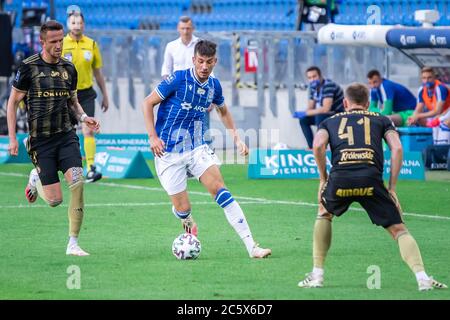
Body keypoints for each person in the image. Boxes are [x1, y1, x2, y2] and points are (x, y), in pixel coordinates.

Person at [297, 83, 447, 291]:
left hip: (341, 178)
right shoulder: (382, 120)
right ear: (368, 104)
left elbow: (318, 146)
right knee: (398, 229)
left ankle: (317, 275)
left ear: (345, 103)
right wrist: (392, 188)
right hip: (371, 178)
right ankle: (422, 278)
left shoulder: (329, 121)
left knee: (324, 213)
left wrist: (324, 179)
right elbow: (397, 149)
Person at [142, 40, 271, 259]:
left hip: (196, 147)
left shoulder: (214, 85)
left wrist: (237, 139)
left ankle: (252, 247)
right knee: (183, 208)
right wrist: (152, 137)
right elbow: (147, 103)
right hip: (168, 152)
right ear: (194, 60)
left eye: (209, 62)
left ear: (215, 62)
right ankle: (183, 215)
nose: (204, 66)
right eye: (200, 61)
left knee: (222, 192)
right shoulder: (178, 79)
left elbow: (223, 111)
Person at [6, 20, 100, 256]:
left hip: (66, 136)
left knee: (77, 184)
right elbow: (12, 103)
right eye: (54, 41)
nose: (59, 45)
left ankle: (73, 244)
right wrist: (12, 138)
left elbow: (73, 102)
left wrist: (84, 116)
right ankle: (35, 177)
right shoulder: (28, 67)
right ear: (42, 41)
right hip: (41, 141)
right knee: (55, 201)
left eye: (61, 40)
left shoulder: (69, 68)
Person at [62, 5, 109, 183]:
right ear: (68, 24)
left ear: (84, 24)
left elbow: (98, 73)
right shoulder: (62, 44)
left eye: (80, 22)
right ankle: (69, 168)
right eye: (73, 22)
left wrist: (105, 94)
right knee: (67, 133)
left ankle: (90, 168)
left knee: (88, 130)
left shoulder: (91, 44)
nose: (77, 25)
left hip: (87, 94)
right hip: (66, 95)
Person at [293, 66, 344, 149]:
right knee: (304, 120)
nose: (312, 79)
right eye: (309, 78)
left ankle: (320, 147)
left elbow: (326, 108)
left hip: (337, 115)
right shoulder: (313, 87)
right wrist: (303, 114)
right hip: (325, 115)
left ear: (320, 76)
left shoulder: (329, 85)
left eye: (314, 76)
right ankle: (312, 147)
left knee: (319, 116)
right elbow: (311, 106)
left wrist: (305, 113)